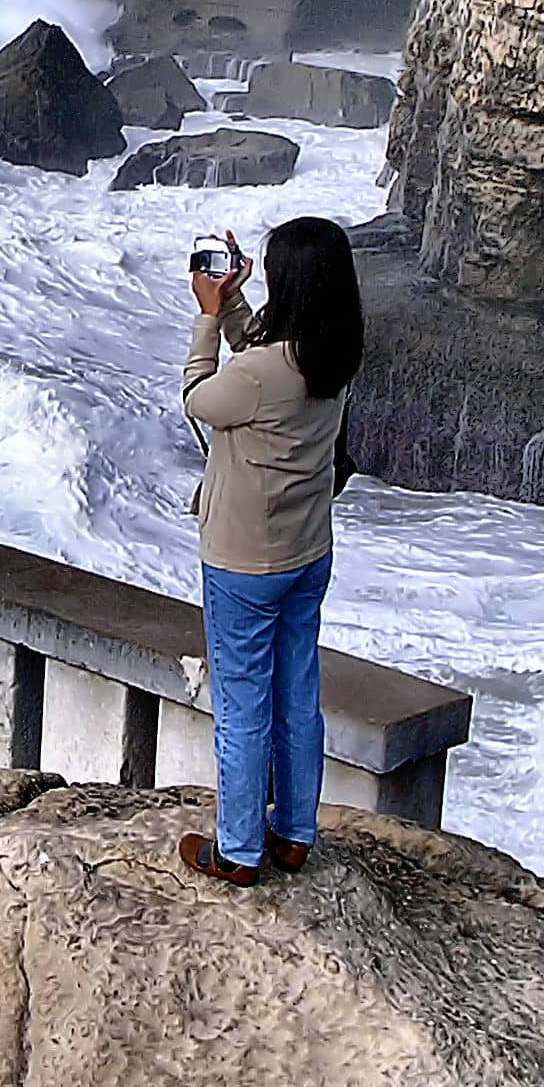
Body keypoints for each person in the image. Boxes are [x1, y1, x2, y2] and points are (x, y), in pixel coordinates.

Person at [176, 217, 365, 887]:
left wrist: (204, 321)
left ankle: (237, 850)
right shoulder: (333, 350)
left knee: (242, 705)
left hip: (243, 562)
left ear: (288, 283)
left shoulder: (258, 374)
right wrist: (229, 303)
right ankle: (292, 834)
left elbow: (200, 396)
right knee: (295, 692)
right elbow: (262, 348)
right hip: (307, 551)